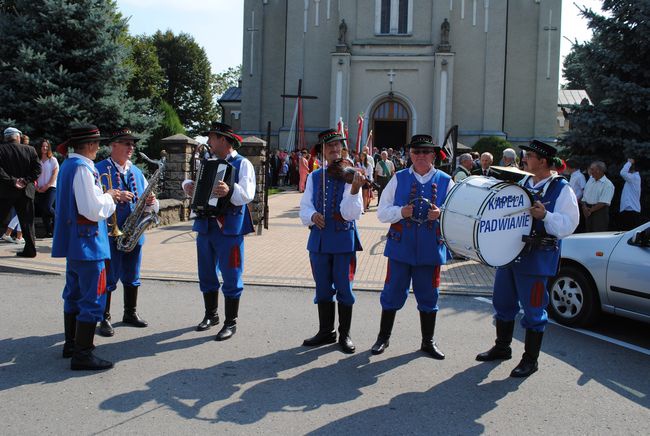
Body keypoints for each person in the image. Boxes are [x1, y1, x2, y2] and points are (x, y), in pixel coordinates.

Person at [476, 140, 579, 377]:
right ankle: (502, 347)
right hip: (510, 254)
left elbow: (569, 225)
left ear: (543, 161)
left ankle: (530, 360)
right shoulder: (524, 181)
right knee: (503, 303)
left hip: (537, 259)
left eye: (529, 155)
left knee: (534, 310)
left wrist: (546, 215)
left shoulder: (562, 189)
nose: (525, 159)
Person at [372, 134, 453, 359]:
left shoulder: (447, 180)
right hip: (401, 248)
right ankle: (383, 338)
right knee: (392, 292)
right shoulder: (398, 178)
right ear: (410, 154)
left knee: (429, 296)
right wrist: (400, 212)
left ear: (433, 155)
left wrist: (441, 215)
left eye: (425, 152)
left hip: (430, 249)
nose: (420, 156)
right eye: (416, 152)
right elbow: (381, 212)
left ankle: (428, 342)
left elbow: (458, 217)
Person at [52, 124, 119, 370]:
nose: (99, 147)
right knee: (94, 298)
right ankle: (83, 354)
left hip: (76, 245)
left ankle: (71, 344)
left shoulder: (69, 165)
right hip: (89, 243)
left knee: (74, 294)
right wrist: (110, 197)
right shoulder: (82, 168)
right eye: (98, 143)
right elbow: (91, 209)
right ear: (89, 145)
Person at [182, 122, 255, 341]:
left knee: (231, 274)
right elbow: (194, 182)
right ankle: (211, 315)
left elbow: (248, 194)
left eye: (211, 138)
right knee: (206, 271)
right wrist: (187, 185)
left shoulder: (243, 164)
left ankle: (230, 321)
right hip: (206, 225)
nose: (208, 142)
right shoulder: (208, 162)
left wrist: (229, 190)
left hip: (230, 227)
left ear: (223, 139)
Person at [299, 128, 365, 354]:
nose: (335, 149)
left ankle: (344, 334)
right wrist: (311, 216)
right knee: (323, 288)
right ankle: (326, 331)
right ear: (322, 152)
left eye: (338, 146)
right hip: (318, 240)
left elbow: (352, 213)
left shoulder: (351, 174)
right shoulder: (315, 176)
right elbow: (305, 205)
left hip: (343, 239)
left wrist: (355, 189)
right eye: (330, 147)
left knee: (344, 288)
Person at [95, 128, 158, 337]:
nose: (131, 147)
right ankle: (104, 317)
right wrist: (113, 195)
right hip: (110, 233)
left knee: (133, 275)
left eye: (133, 144)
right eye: (126, 143)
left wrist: (151, 202)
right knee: (109, 276)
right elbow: (93, 200)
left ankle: (130, 313)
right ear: (113, 145)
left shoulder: (136, 172)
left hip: (133, 233)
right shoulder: (99, 169)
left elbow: (149, 201)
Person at [0, 127, 41, 258]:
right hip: (26, 191)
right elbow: (37, 169)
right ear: (18, 137)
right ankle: (30, 250)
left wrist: (13, 181)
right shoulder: (30, 150)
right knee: (27, 222)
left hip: (5, 191)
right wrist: (25, 180)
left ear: (5, 138)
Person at [34, 139, 59, 237]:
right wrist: (36, 187)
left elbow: (55, 174)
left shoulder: (52, 160)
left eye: (46, 146)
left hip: (51, 187)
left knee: (48, 207)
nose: (44, 148)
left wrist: (47, 185)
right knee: (44, 210)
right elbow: (34, 174)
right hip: (39, 188)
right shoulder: (36, 160)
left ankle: (58, 219)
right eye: (42, 146)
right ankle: (49, 232)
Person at [581, 161, 615, 232]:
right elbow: (584, 196)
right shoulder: (590, 180)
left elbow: (603, 202)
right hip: (587, 210)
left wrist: (589, 211)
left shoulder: (608, 184)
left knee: (598, 234)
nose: (590, 171)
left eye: (592, 169)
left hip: (599, 213)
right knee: (588, 233)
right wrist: (584, 207)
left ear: (599, 170)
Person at [618, 158, 642, 230]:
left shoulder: (634, 177)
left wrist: (629, 163)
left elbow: (622, 172)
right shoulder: (631, 179)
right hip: (628, 210)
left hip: (632, 211)